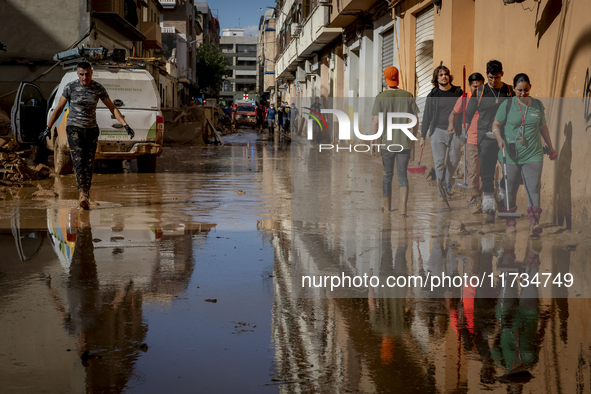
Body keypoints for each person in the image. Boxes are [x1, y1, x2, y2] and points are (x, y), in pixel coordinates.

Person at [43, 62, 134, 210]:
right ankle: (82, 194)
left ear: (91, 74)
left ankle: (86, 193)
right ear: (78, 74)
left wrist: (125, 124)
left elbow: (112, 107)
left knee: (89, 164)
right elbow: (59, 108)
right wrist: (48, 127)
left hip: (91, 130)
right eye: (81, 74)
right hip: (74, 129)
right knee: (78, 161)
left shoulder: (98, 88)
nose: (85, 77)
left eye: (87, 74)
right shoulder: (70, 87)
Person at [491, 73, 556, 236]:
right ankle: (510, 220)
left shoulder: (537, 105)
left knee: (533, 187)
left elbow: (543, 128)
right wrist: (499, 139)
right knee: (511, 188)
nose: (522, 93)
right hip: (511, 155)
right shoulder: (507, 105)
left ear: (530, 87)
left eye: (525, 90)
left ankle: (535, 223)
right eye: (519, 90)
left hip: (533, 153)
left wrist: (551, 146)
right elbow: (495, 125)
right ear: (513, 89)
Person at [464, 60, 515, 216]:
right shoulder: (479, 92)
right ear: (487, 75)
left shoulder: (510, 91)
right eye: (491, 77)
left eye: (497, 77)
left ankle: (501, 188)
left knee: (512, 169)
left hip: (506, 136)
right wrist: (463, 132)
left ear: (502, 74)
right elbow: (468, 115)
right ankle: (488, 204)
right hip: (485, 137)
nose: (494, 81)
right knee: (487, 171)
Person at [371, 66, 419, 217]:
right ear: (397, 78)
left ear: (385, 80)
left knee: (387, 175)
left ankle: (387, 208)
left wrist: (373, 144)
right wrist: (413, 138)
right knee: (402, 175)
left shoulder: (380, 98)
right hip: (404, 143)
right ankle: (403, 210)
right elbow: (416, 121)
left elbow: (375, 123)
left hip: (387, 144)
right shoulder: (408, 96)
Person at [419, 64, 464, 199]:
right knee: (439, 162)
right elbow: (427, 116)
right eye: (441, 75)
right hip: (437, 130)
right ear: (436, 78)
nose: (444, 77)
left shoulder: (458, 92)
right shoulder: (433, 95)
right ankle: (441, 188)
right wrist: (422, 135)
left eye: (446, 74)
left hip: (455, 131)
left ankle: (448, 181)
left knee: (454, 159)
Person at [448, 72, 485, 211]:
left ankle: (483, 197)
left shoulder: (488, 98)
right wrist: (451, 125)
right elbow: (453, 113)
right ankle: (472, 200)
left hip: (487, 139)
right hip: (471, 138)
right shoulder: (465, 98)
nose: (476, 89)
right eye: (474, 86)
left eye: (479, 86)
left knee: (485, 171)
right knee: (473, 170)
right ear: (469, 86)